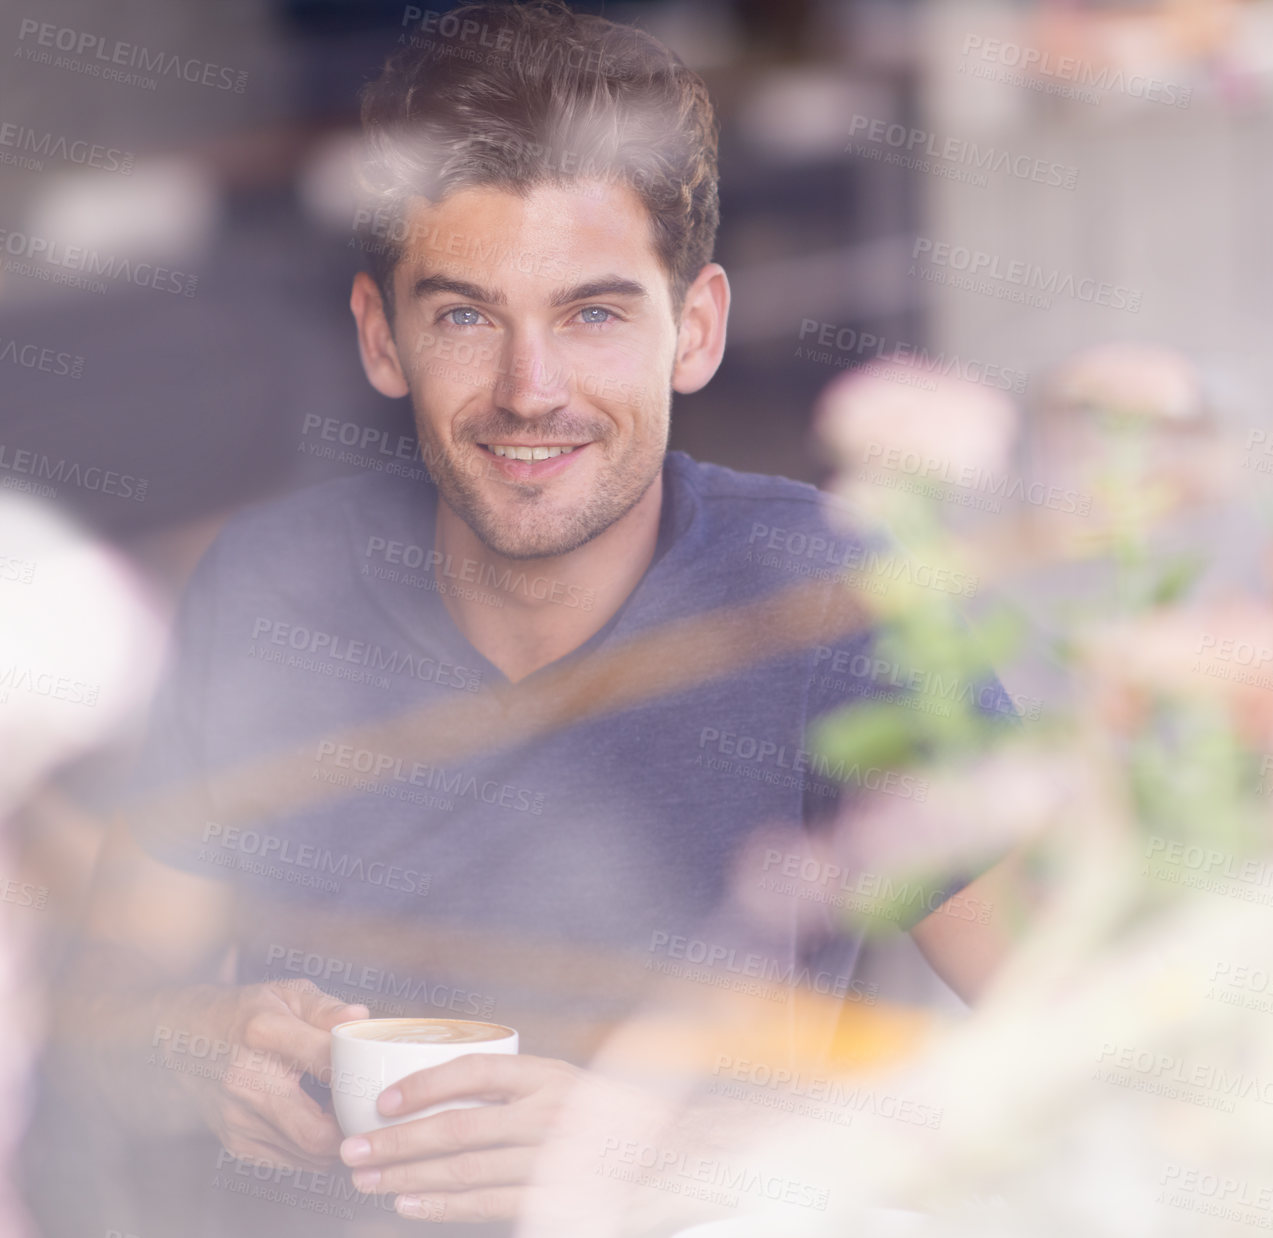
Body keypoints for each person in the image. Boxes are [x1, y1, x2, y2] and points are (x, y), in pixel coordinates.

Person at [64, 3, 1022, 1233]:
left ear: (700, 327)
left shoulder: (837, 598)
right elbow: (96, 1015)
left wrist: (656, 1143)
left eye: (594, 312)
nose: (531, 390)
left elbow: (1095, 1045)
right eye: (466, 313)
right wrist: (189, 1039)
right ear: (381, 335)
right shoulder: (271, 586)